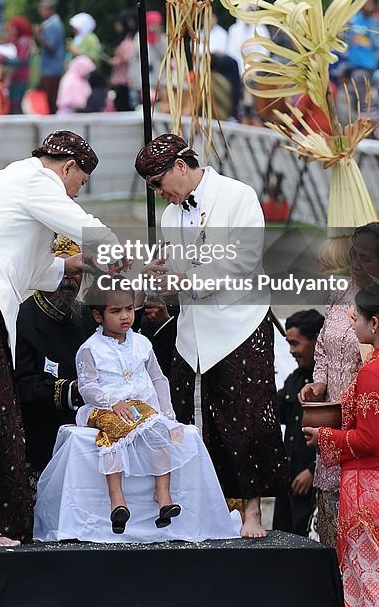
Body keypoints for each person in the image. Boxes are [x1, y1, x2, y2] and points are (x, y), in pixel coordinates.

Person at [0, 131, 120, 547]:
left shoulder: (15, 183)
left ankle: (5, 524)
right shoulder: (37, 181)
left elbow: (29, 271)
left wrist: (74, 264)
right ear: (67, 168)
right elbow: (89, 229)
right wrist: (119, 252)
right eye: (79, 184)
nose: (76, 195)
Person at [134, 133, 288, 538]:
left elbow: (243, 261)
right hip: (193, 330)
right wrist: (159, 272)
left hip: (240, 322)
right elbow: (176, 268)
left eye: (157, 184)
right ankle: (201, 503)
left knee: (248, 417)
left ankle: (253, 511)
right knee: (185, 415)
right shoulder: (169, 217)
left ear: (181, 166)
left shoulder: (237, 196)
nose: (158, 193)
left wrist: (185, 278)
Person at [300, 221, 379, 548]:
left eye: (367, 259)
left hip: (375, 432)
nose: (357, 265)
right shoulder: (341, 294)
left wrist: (366, 346)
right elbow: (325, 347)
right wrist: (319, 383)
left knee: (368, 544)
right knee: (334, 536)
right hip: (334, 417)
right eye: (354, 256)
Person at [303, 272, 379, 607]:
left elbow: (368, 441)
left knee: (371, 584)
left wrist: (324, 435)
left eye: (355, 318)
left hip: (370, 488)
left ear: (375, 322)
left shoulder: (373, 372)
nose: (350, 324)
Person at [76, 279, 201, 534]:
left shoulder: (143, 344)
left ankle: (163, 495)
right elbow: (87, 386)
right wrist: (112, 402)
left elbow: (158, 378)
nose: (125, 317)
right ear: (98, 315)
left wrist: (167, 412)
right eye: (116, 311)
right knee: (113, 431)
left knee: (161, 430)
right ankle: (116, 499)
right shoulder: (90, 349)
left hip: (143, 410)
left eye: (129, 309)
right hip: (106, 409)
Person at [14, 275, 93, 482]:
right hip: (40, 444)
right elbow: (22, 385)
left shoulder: (88, 316)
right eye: (63, 269)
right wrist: (71, 390)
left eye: (76, 271)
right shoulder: (21, 319)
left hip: (87, 443)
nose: (68, 279)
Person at [273, 309, 324, 537]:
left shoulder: (327, 383)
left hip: (312, 482)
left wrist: (313, 471)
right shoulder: (294, 379)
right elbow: (277, 414)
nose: (292, 351)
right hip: (289, 480)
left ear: (316, 339)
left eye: (296, 344)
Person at [34, 0, 65, 114]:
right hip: (49, 68)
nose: (41, 11)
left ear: (51, 10)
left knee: (52, 98)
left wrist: (39, 35)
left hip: (52, 68)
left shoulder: (54, 25)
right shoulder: (49, 24)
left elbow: (51, 46)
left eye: (43, 8)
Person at [0, 17, 34, 114]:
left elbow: (21, 60)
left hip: (19, 76)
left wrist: (4, 59)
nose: (11, 30)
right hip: (13, 76)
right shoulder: (16, 40)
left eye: (13, 27)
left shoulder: (24, 40)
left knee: (15, 102)